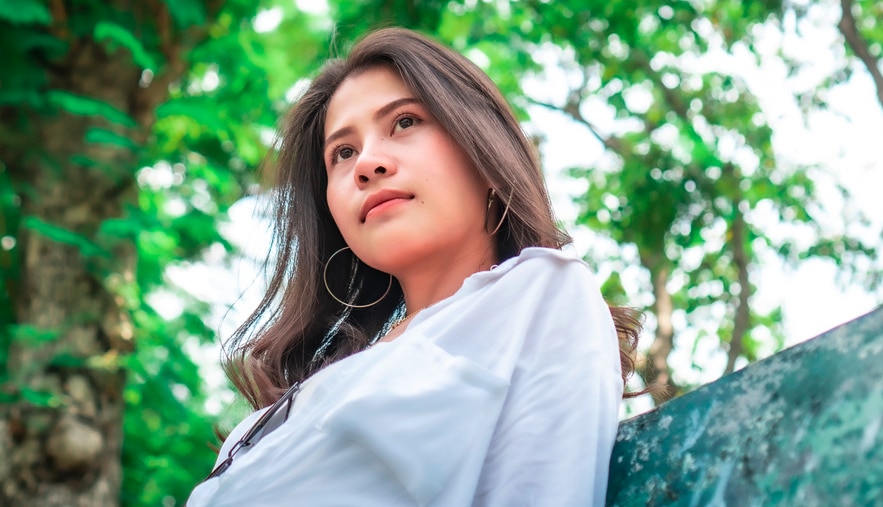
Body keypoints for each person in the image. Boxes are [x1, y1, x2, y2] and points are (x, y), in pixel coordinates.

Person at [187, 28, 641, 506]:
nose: (367, 164)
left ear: (483, 150)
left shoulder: (542, 295)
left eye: (404, 122)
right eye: (343, 153)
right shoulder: (281, 410)